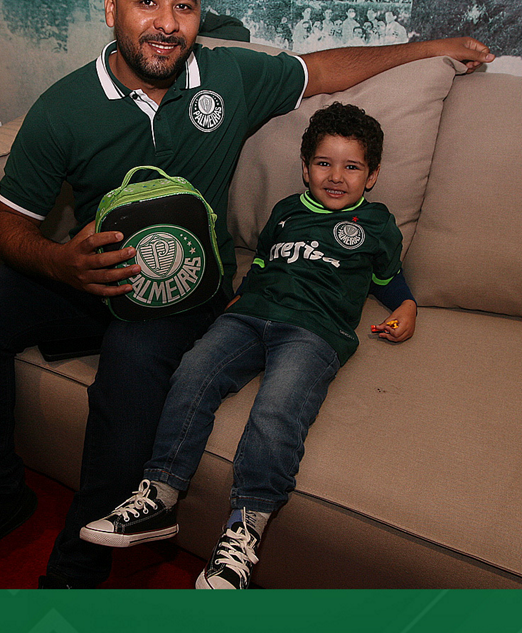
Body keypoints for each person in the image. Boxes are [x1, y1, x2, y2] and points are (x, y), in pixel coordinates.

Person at [0, 0, 492, 590]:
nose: (167, 23)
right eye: (147, 1)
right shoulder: (62, 109)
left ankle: (76, 568)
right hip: (91, 279)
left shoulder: (229, 76)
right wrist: (61, 263)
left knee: (134, 357)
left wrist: (428, 48)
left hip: (188, 294)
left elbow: (322, 70)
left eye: (184, 5)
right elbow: (8, 224)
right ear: (111, 6)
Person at [80, 103, 416, 589]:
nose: (336, 176)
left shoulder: (377, 224)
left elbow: (390, 279)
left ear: (373, 175)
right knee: (191, 373)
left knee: (276, 409)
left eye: (352, 166)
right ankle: (160, 496)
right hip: (248, 317)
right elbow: (260, 265)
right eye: (324, 163)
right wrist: (236, 301)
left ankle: (242, 535)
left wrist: (407, 307)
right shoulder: (285, 211)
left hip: (314, 331)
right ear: (306, 168)